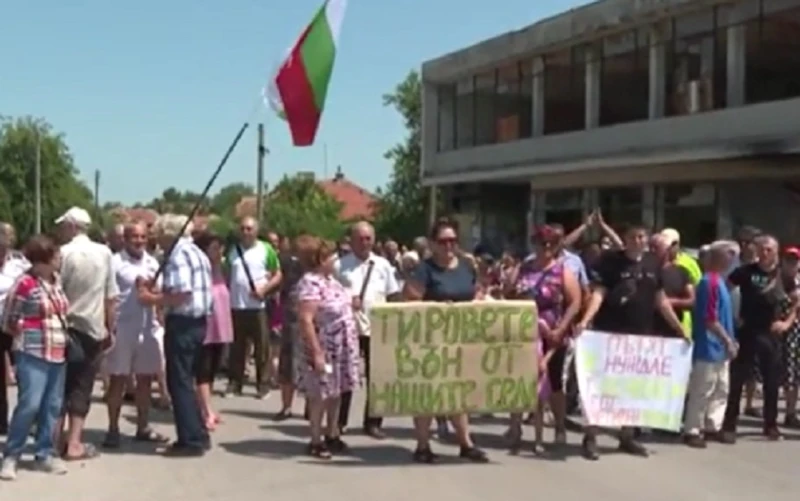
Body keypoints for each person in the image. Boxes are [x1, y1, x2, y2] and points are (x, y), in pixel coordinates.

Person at [575, 223, 685, 460]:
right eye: (633, 237)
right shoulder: (610, 261)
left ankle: (627, 437)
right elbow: (599, 294)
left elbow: (661, 300)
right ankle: (590, 437)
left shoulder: (653, 264)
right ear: (625, 239)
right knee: (601, 390)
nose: (638, 240)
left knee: (632, 390)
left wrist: (679, 328)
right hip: (609, 335)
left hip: (640, 338)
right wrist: (585, 320)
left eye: (642, 237)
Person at [403, 218, 488, 464]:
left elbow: (476, 292)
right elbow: (410, 302)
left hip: (462, 341)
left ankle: (465, 443)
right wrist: (438, 310)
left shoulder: (465, 266)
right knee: (427, 394)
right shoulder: (424, 270)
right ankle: (422, 445)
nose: (448, 245)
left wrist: (480, 301)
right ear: (433, 243)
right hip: (430, 341)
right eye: (443, 241)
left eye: (452, 240)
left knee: (459, 394)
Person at [506, 225, 581, 454]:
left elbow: (575, 301)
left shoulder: (562, 271)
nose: (545, 248)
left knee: (555, 381)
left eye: (550, 244)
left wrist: (562, 328)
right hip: (524, 332)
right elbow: (508, 291)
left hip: (552, 333)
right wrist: (514, 270)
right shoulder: (525, 268)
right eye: (541, 243)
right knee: (519, 380)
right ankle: (515, 426)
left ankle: (559, 425)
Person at [142, 213, 213, 456]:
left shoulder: (178, 254)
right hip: (199, 321)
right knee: (187, 379)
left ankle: (190, 439)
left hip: (183, 321)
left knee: (179, 381)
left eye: (159, 232)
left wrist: (151, 299)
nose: (157, 237)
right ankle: (198, 431)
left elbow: (182, 292)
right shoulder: (197, 252)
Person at [0, 235, 69, 480]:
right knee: (30, 404)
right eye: (56, 256)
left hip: (58, 352)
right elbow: (8, 319)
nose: (59, 260)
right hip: (32, 351)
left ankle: (45, 453)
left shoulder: (56, 281)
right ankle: (12, 455)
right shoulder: (25, 284)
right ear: (43, 259)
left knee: (52, 406)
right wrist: (26, 330)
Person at [57, 206, 118, 461]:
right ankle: (74, 443)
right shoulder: (104, 253)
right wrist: (109, 328)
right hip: (93, 328)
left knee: (59, 387)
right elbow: (111, 296)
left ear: (72, 226)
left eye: (63, 226)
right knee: (83, 387)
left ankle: (53, 440)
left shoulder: (63, 253)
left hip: (65, 326)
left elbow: (56, 291)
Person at [722, 235, 795, 442]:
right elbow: (724, 290)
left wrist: (787, 322)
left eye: (769, 250)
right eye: (762, 249)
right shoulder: (745, 272)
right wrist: (732, 318)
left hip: (771, 334)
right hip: (747, 331)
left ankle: (770, 425)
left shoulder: (783, 275)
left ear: (776, 252)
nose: (764, 253)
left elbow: (797, 300)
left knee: (772, 382)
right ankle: (729, 424)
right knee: (738, 379)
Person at [102, 221, 168, 448]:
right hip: (123, 327)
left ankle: (143, 426)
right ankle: (112, 428)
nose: (139, 241)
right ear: (125, 239)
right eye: (134, 237)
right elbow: (108, 296)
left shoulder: (152, 262)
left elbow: (160, 293)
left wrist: (152, 291)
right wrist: (109, 327)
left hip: (147, 327)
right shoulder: (115, 262)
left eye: (142, 237)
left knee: (145, 379)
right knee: (118, 380)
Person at [294, 235, 360, 459]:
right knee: (320, 394)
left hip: (341, 347)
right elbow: (306, 319)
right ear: (320, 259)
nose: (335, 260)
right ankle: (315, 439)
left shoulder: (332, 280)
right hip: (324, 346)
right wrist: (316, 353)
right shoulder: (310, 282)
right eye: (332, 256)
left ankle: (332, 433)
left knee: (336, 392)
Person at [335, 221, 401, 439]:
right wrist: (346, 301)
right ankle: (339, 421)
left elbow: (393, 295)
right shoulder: (339, 266)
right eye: (360, 238)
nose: (364, 243)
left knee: (377, 377)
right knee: (346, 376)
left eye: (368, 238)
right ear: (351, 240)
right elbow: (330, 295)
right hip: (349, 328)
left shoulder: (383, 265)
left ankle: (373, 422)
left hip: (377, 328)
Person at [684, 241, 738, 448]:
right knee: (702, 389)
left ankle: (712, 425)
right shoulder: (710, 282)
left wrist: (731, 340)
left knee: (720, 389)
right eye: (728, 254)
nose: (731, 258)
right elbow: (710, 318)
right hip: (709, 345)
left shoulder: (720, 281)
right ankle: (693, 429)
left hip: (722, 347)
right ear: (717, 257)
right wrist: (726, 339)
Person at [225, 217, 282, 399]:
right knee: (237, 348)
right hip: (236, 305)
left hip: (258, 306)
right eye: (242, 228)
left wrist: (264, 289)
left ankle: (262, 384)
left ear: (256, 231)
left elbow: (277, 274)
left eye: (249, 228)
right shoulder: (233, 250)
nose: (245, 232)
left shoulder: (266, 249)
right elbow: (227, 274)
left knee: (262, 348)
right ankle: (235, 383)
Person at [194, 232, 233, 431]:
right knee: (203, 369)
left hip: (221, 325)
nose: (218, 252)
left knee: (214, 369)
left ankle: (207, 408)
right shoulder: (200, 270)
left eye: (220, 248)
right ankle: (205, 411)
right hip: (206, 325)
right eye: (214, 248)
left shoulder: (222, 268)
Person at [0, 222, 28, 435]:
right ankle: (2, 422)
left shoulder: (19, 265)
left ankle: (26, 421)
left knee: (25, 376)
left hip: (15, 326)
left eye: (8, 237)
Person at [273, 238, 304, 421]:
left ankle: (310, 407)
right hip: (290, 315)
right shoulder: (283, 260)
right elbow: (277, 285)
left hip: (310, 315)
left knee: (308, 363)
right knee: (288, 360)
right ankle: (286, 406)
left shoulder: (315, 267)